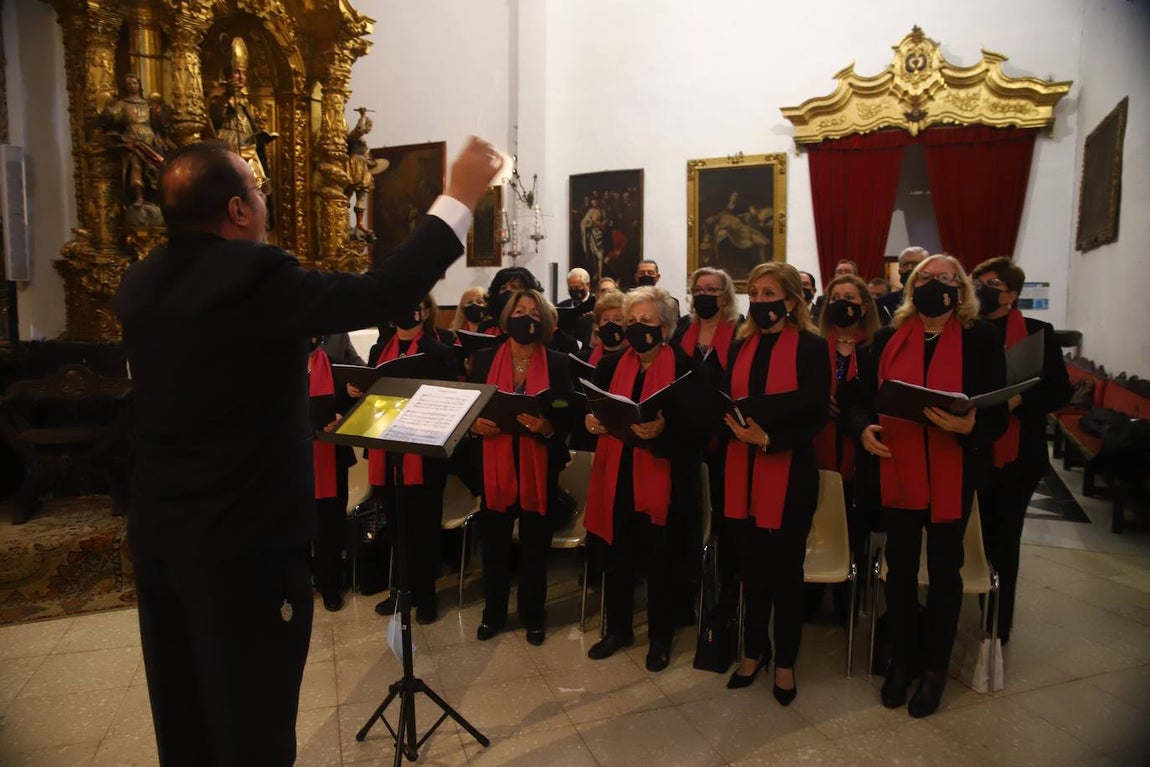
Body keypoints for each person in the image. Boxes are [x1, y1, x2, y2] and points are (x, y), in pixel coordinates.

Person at [113, 135, 497, 766]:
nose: (265, 200)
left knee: (184, 715)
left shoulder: (142, 284)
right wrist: (459, 197)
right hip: (245, 545)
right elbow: (385, 291)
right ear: (238, 211)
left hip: (162, 535)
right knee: (254, 722)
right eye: (256, 190)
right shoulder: (254, 277)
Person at [853, 254, 1007, 718]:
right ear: (910, 286)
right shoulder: (886, 339)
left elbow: (996, 413)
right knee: (898, 571)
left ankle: (935, 668)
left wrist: (968, 430)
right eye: (924, 278)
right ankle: (902, 659)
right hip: (898, 469)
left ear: (959, 289)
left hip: (952, 471)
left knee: (945, 571)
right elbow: (859, 398)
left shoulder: (981, 339)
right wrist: (862, 429)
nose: (933, 284)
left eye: (944, 278)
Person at [721, 262, 829, 705]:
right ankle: (753, 652)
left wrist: (768, 439)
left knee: (786, 573)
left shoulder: (810, 347)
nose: (762, 302)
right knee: (752, 571)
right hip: (740, 470)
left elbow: (817, 414)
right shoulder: (738, 343)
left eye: (771, 294)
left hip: (789, 472)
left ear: (792, 301)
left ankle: (784, 660)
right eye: (756, 293)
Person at [584, 286, 704, 672]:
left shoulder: (686, 367)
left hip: (665, 479)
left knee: (660, 562)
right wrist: (589, 421)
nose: (637, 329)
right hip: (618, 474)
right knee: (618, 555)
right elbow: (592, 408)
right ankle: (618, 630)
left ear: (665, 328)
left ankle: (660, 638)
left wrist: (663, 436)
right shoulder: (610, 365)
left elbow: (700, 430)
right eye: (630, 321)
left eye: (646, 322)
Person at [971, 256, 1071, 644]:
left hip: (1017, 454)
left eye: (991, 282)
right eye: (978, 279)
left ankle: (997, 621)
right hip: (971, 446)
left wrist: (1016, 402)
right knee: (964, 535)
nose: (982, 287)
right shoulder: (967, 330)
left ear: (1011, 293)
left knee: (1003, 538)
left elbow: (1058, 391)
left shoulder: (1036, 332)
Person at [467, 289, 573, 645]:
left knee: (534, 550)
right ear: (508, 316)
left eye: (533, 312)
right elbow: (467, 409)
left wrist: (549, 427)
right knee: (495, 549)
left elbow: (565, 413)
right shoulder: (482, 360)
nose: (526, 317)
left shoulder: (558, 363)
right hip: (494, 466)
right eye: (519, 310)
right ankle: (493, 614)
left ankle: (533, 616)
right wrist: (473, 425)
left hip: (538, 468)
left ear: (542, 321)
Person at [367, 297, 460, 625]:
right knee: (397, 527)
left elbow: (452, 400)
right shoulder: (380, 351)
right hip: (387, 450)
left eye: (416, 302)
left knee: (424, 528)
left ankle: (426, 595)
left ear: (426, 309)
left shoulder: (440, 351)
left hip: (425, 455)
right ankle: (401, 591)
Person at [811, 273, 880, 622]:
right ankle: (811, 592)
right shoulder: (813, 344)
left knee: (854, 524)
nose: (843, 303)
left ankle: (846, 598)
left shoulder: (875, 347)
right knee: (815, 515)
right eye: (836, 297)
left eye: (850, 298)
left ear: (864, 306)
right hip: (817, 444)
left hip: (859, 450)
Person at [307, 336, 356, 613]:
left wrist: (342, 418)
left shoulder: (339, 368)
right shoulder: (279, 369)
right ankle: (301, 582)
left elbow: (353, 407)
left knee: (330, 525)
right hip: (295, 461)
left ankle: (330, 585)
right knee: (297, 526)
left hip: (331, 459)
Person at [208, 35, 277, 228]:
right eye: (236, 72)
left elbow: (249, 127)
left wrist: (261, 138)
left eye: (243, 73)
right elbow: (214, 119)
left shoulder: (246, 103)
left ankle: (258, 223)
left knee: (259, 187)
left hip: (249, 148)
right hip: (229, 147)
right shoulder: (218, 97)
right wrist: (227, 97)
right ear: (228, 74)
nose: (240, 77)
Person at [102, 72, 170, 212]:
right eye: (129, 84)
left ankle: (154, 197)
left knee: (156, 168)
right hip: (133, 140)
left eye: (134, 83)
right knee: (136, 167)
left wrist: (164, 113)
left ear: (139, 85)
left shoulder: (148, 105)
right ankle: (139, 197)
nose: (132, 86)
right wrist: (108, 110)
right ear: (125, 87)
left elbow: (159, 122)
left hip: (149, 139)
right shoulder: (123, 104)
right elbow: (112, 118)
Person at [346, 107, 385, 241]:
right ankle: (343, 219)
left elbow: (367, 157)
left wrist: (372, 162)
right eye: (369, 125)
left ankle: (360, 223)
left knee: (362, 195)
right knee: (348, 192)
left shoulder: (364, 144)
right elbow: (359, 130)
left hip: (363, 167)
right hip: (354, 166)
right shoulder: (353, 136)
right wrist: (363, 115)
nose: (370, 128)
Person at [878, 246, 929, 321]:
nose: (910, 268)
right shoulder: (886, 302)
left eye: (915, 264)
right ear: (899, 270)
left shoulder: (936, 298)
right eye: (905, 264)